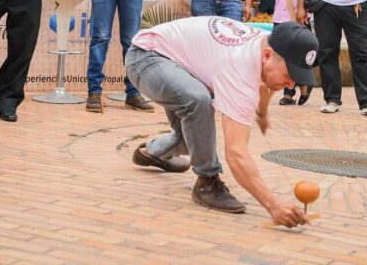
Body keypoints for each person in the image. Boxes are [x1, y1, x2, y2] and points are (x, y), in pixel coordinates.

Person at [127, 17, 317, 228]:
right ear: (267, 55)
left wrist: (262, 113)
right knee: (198, 101)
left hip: (176, 62)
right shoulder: (239, 67)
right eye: (289, 75)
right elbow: (235, 152)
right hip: (146, 58)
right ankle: (207, 183)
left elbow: (265, 83)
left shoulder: (266, 44)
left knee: (193, 138)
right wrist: (273, 205)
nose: (291, 84)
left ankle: (151, 153)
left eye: (297, 79)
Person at [255, 0, 313, 106]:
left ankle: (303, 85)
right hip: (280, 21)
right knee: (282, 58)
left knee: (301, 57)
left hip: (301, 20)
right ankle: (289, 93)